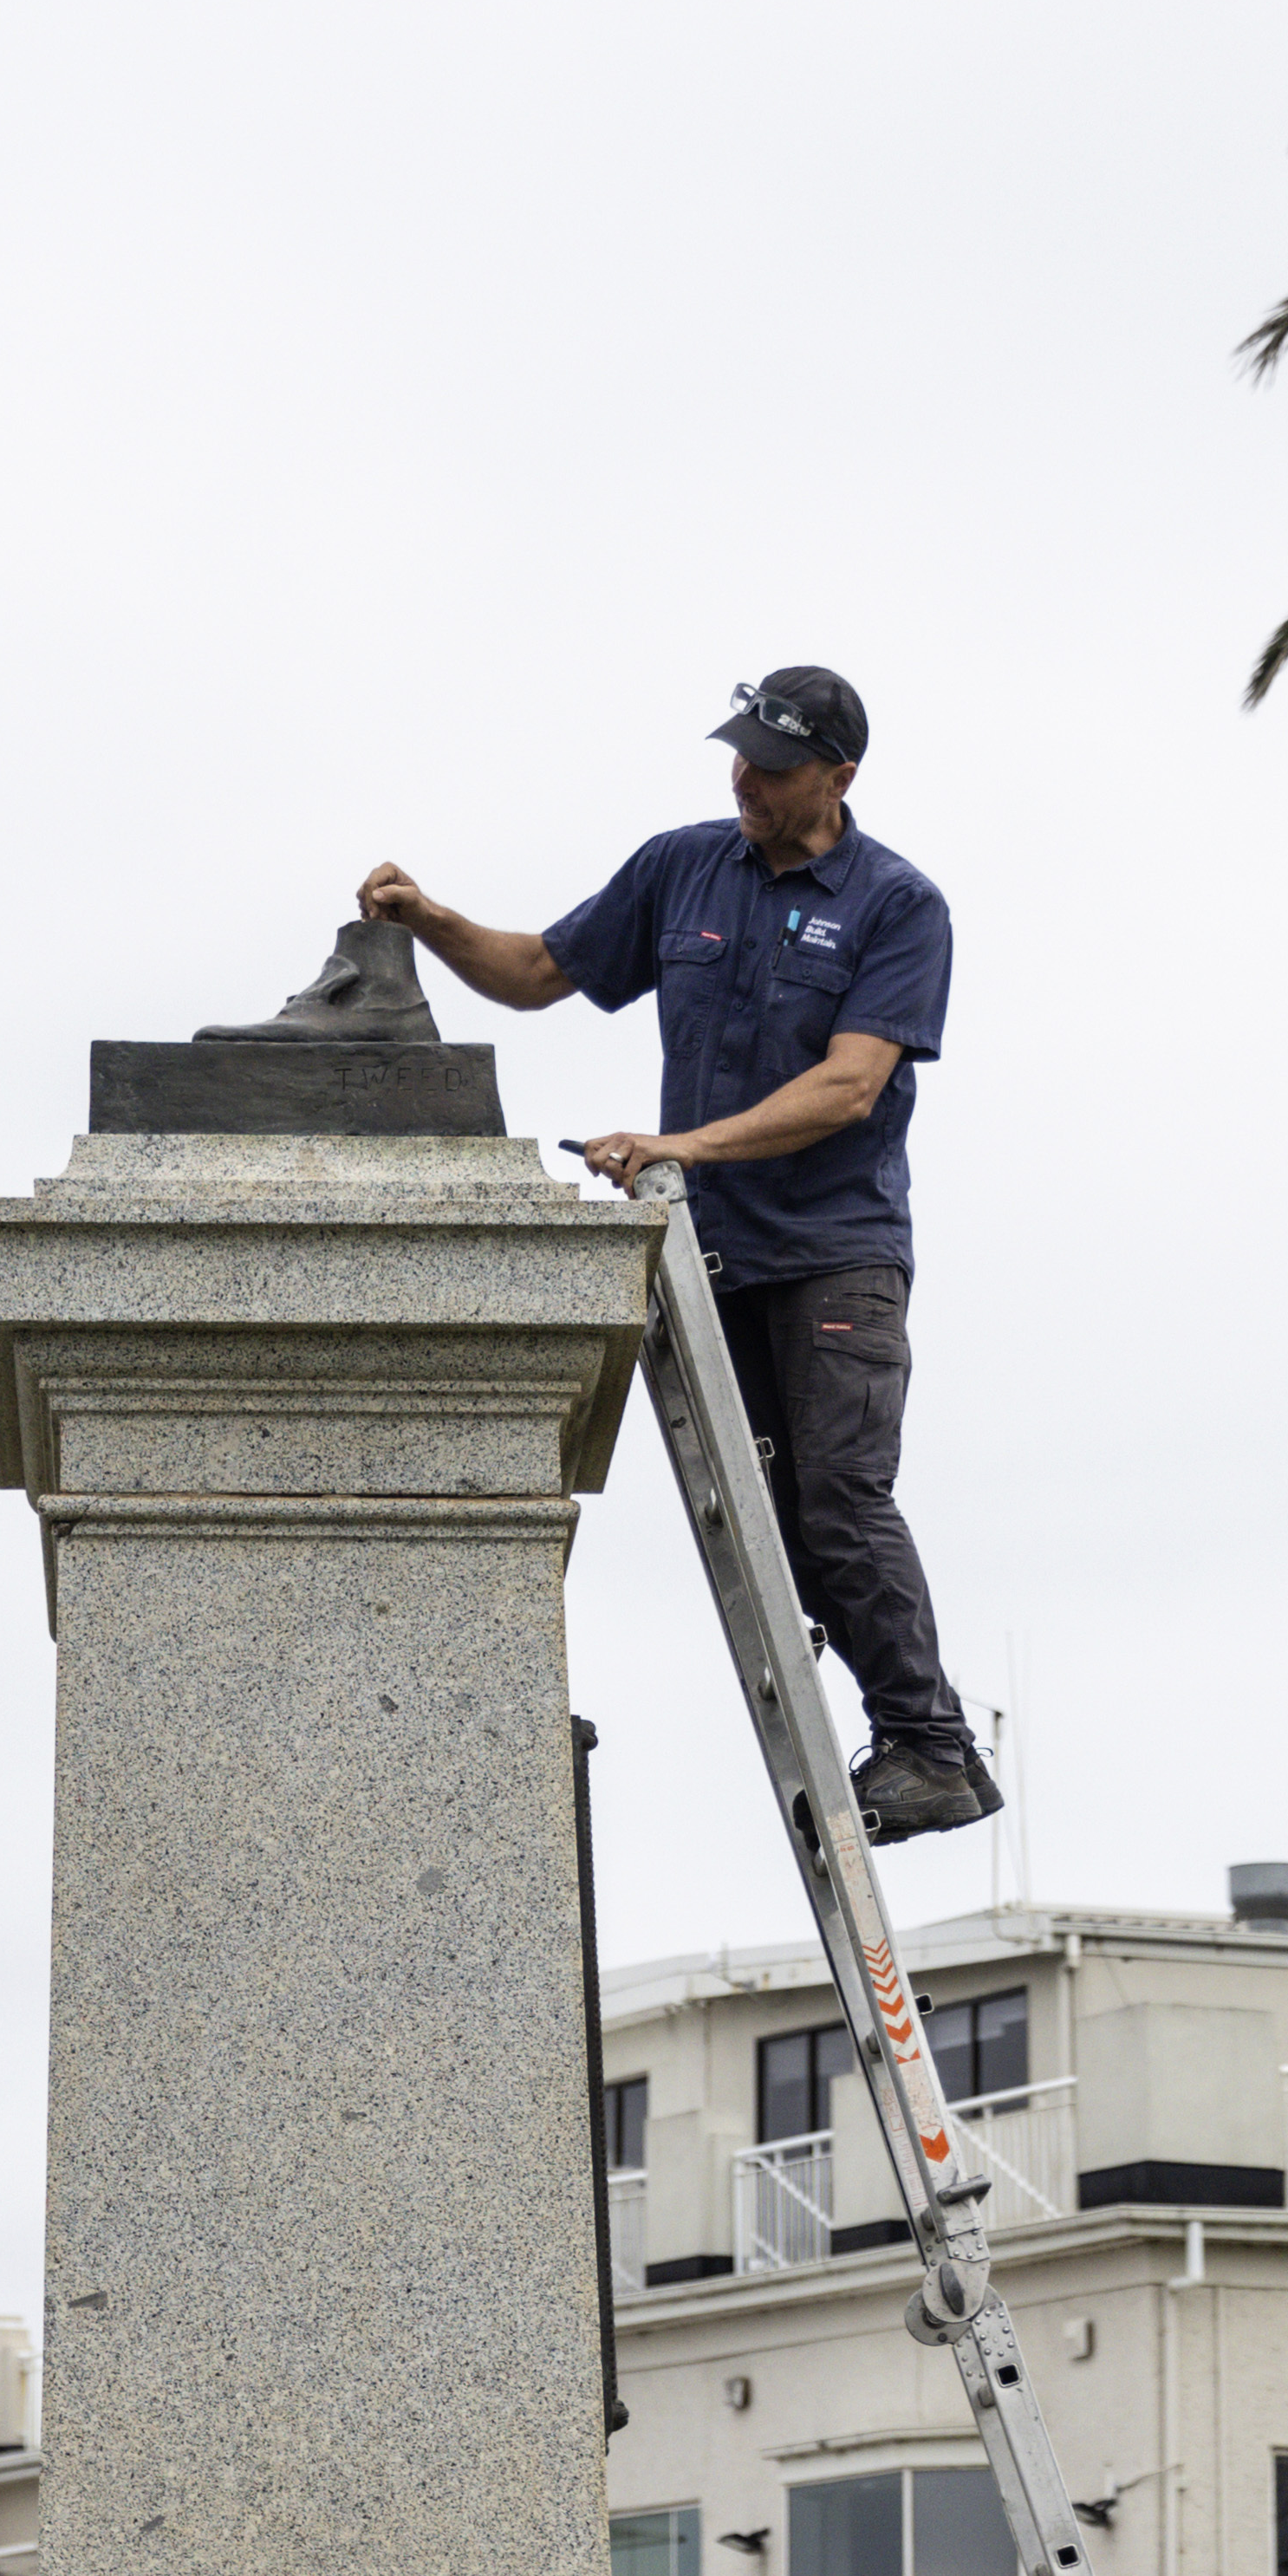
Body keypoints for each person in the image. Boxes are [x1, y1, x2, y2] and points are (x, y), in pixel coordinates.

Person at [361, 668, 994, 1843]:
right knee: (775, 1518)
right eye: (739, 754)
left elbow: (851, 1087)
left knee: (839, 1501)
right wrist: (430, 919)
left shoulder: (898, 907)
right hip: (719, 1262)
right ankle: (914, 1742)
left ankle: (927, 1747)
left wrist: (679, 1148)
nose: (744, 777)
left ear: (838, 779)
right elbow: (539, 973)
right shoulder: (684, 866)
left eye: (773, 764)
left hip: (833, 1255)